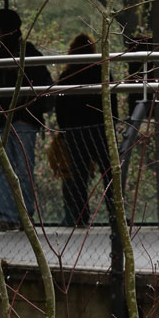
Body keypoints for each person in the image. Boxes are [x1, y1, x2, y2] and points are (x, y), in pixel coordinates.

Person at [0, 8, 53, 231]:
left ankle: (22, 216)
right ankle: (11, 216)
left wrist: (27, 113)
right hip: (5, 121)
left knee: (21, 170)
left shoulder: (28, 53)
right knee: (7, 169)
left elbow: (43, 86)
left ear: (5, 30)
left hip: (20, 121)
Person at [55, 33, 117, 227]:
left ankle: (80, 217)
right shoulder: (101, 72)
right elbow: (112, 103)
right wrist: (113, 126)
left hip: (76, 131)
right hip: (100, 130)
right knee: (109, 174)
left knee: (79, 176)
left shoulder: (67, 75)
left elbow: (60, 106)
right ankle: (115, 215)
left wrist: (64, 131)